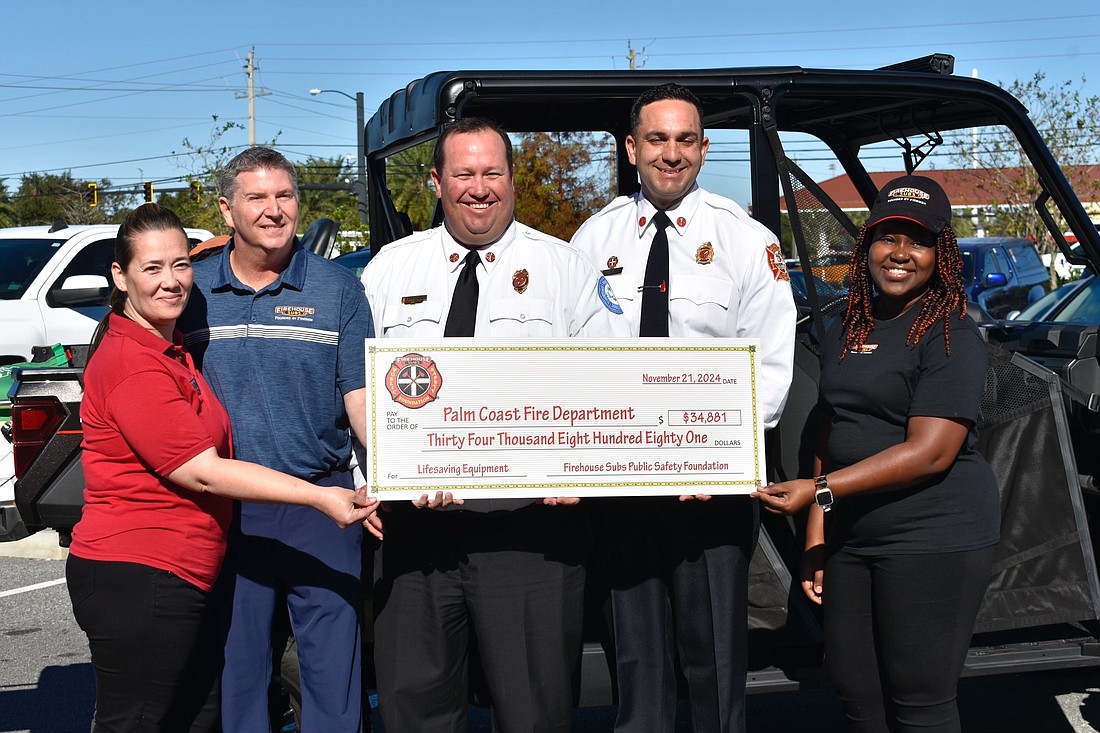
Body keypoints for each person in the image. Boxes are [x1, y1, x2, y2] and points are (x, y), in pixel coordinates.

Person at [362, 116, 630, 732]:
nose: (478, 188)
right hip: (416, 532)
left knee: (533, 712)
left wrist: (586, 472)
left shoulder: (567, 270)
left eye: (492, 172)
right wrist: (367, 475)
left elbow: (611, 385)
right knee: (415, 711)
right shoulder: (388, 271)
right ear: (436, 182)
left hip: (531, 536)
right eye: (463, 173)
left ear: (511, 178)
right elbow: (355, 387)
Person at [67, 203, 377, 733]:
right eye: (152, 268)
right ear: (119, 276)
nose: (171, 281)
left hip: (183, 568)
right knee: (142, 719)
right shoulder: (132, 363)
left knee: (197, 713)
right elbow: (204, 471)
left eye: (180, 264)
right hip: (143, 571)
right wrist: (321, 496)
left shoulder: (170, 349)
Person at [569, 83, 796, 733]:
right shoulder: (595, 237)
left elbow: (771, 368)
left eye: (686, 139)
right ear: (632, 147)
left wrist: (717, 460)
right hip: (622, 487)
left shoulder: (745, 239)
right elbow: (572, 353)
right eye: (658, 139)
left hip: (713, 491)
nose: (672, 153)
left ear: (704, 146)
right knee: (637, 667)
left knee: (716, 665)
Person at [752, 175, 1000, 733]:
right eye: (888, 237)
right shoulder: (847, 324)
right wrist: (817, 531)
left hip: (933, 535)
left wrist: (818, 493)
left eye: (917, 241)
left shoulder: (951, 333)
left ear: (942, 254)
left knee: (919, 703)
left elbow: (930, 453)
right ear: (867, 246)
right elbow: (830, 428)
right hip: (851, 535)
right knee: (856, 692)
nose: (900, 254)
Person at [177, 147, 378, 733]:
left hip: (324, 501)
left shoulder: (338, 289)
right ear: (227, 209)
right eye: (256, 197)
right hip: (227, 509)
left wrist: (388, 476)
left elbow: (360, 397)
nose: (273, 210)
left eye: (284, 196)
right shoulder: (192, 295)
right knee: (239, 675)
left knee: (334, 677)